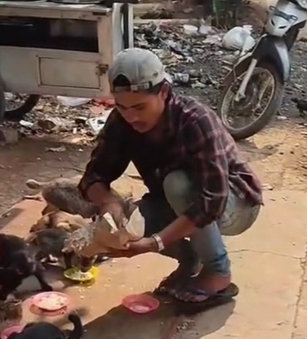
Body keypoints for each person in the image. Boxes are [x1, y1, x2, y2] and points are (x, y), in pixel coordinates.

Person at [78, 48, 263, 309]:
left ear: (163, 92)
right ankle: (189, 260)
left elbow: (213, 201)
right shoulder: (122, 121)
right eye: (122, 107)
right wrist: (111, 204)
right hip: (179, 200)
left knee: (177, 185)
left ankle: (218, 272)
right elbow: (92, 177)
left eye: (140, 107)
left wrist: (155, 243)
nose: (131, 117)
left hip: (235, 204)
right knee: (129, 223)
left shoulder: (195, 121)